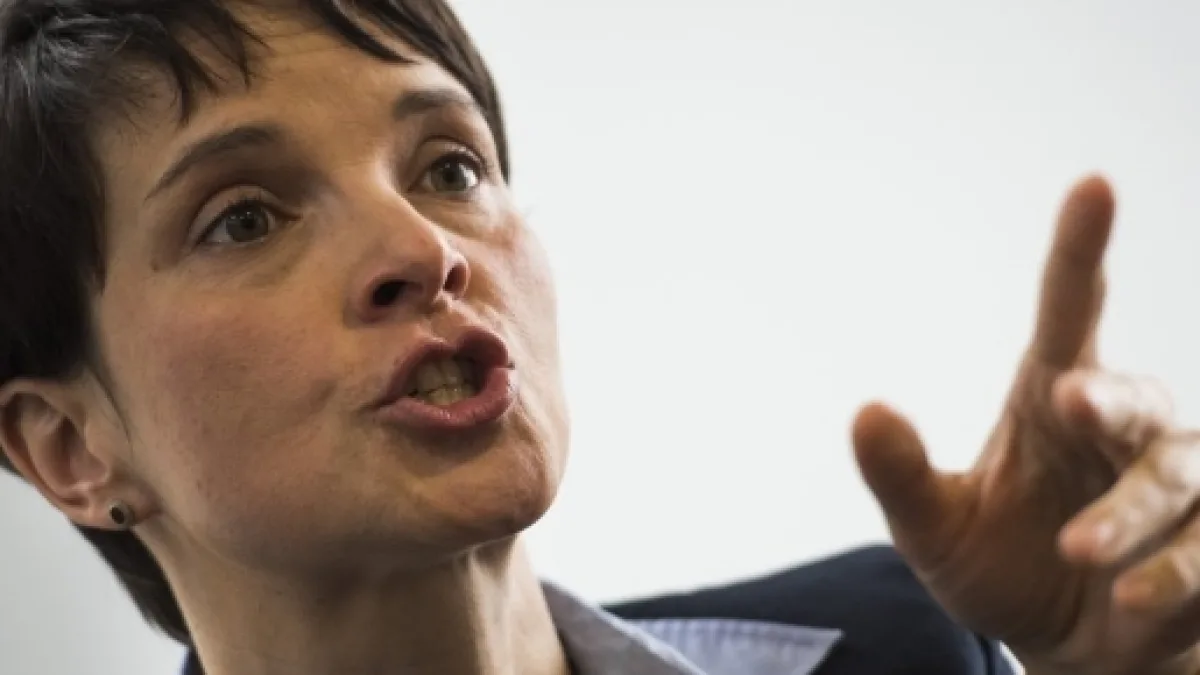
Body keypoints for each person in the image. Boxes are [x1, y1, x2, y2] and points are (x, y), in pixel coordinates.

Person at [0, 1, 1195, 674]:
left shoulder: (911, 647)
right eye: (244, 218)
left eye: (449, 167)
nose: (424, 249)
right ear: (69, 447)